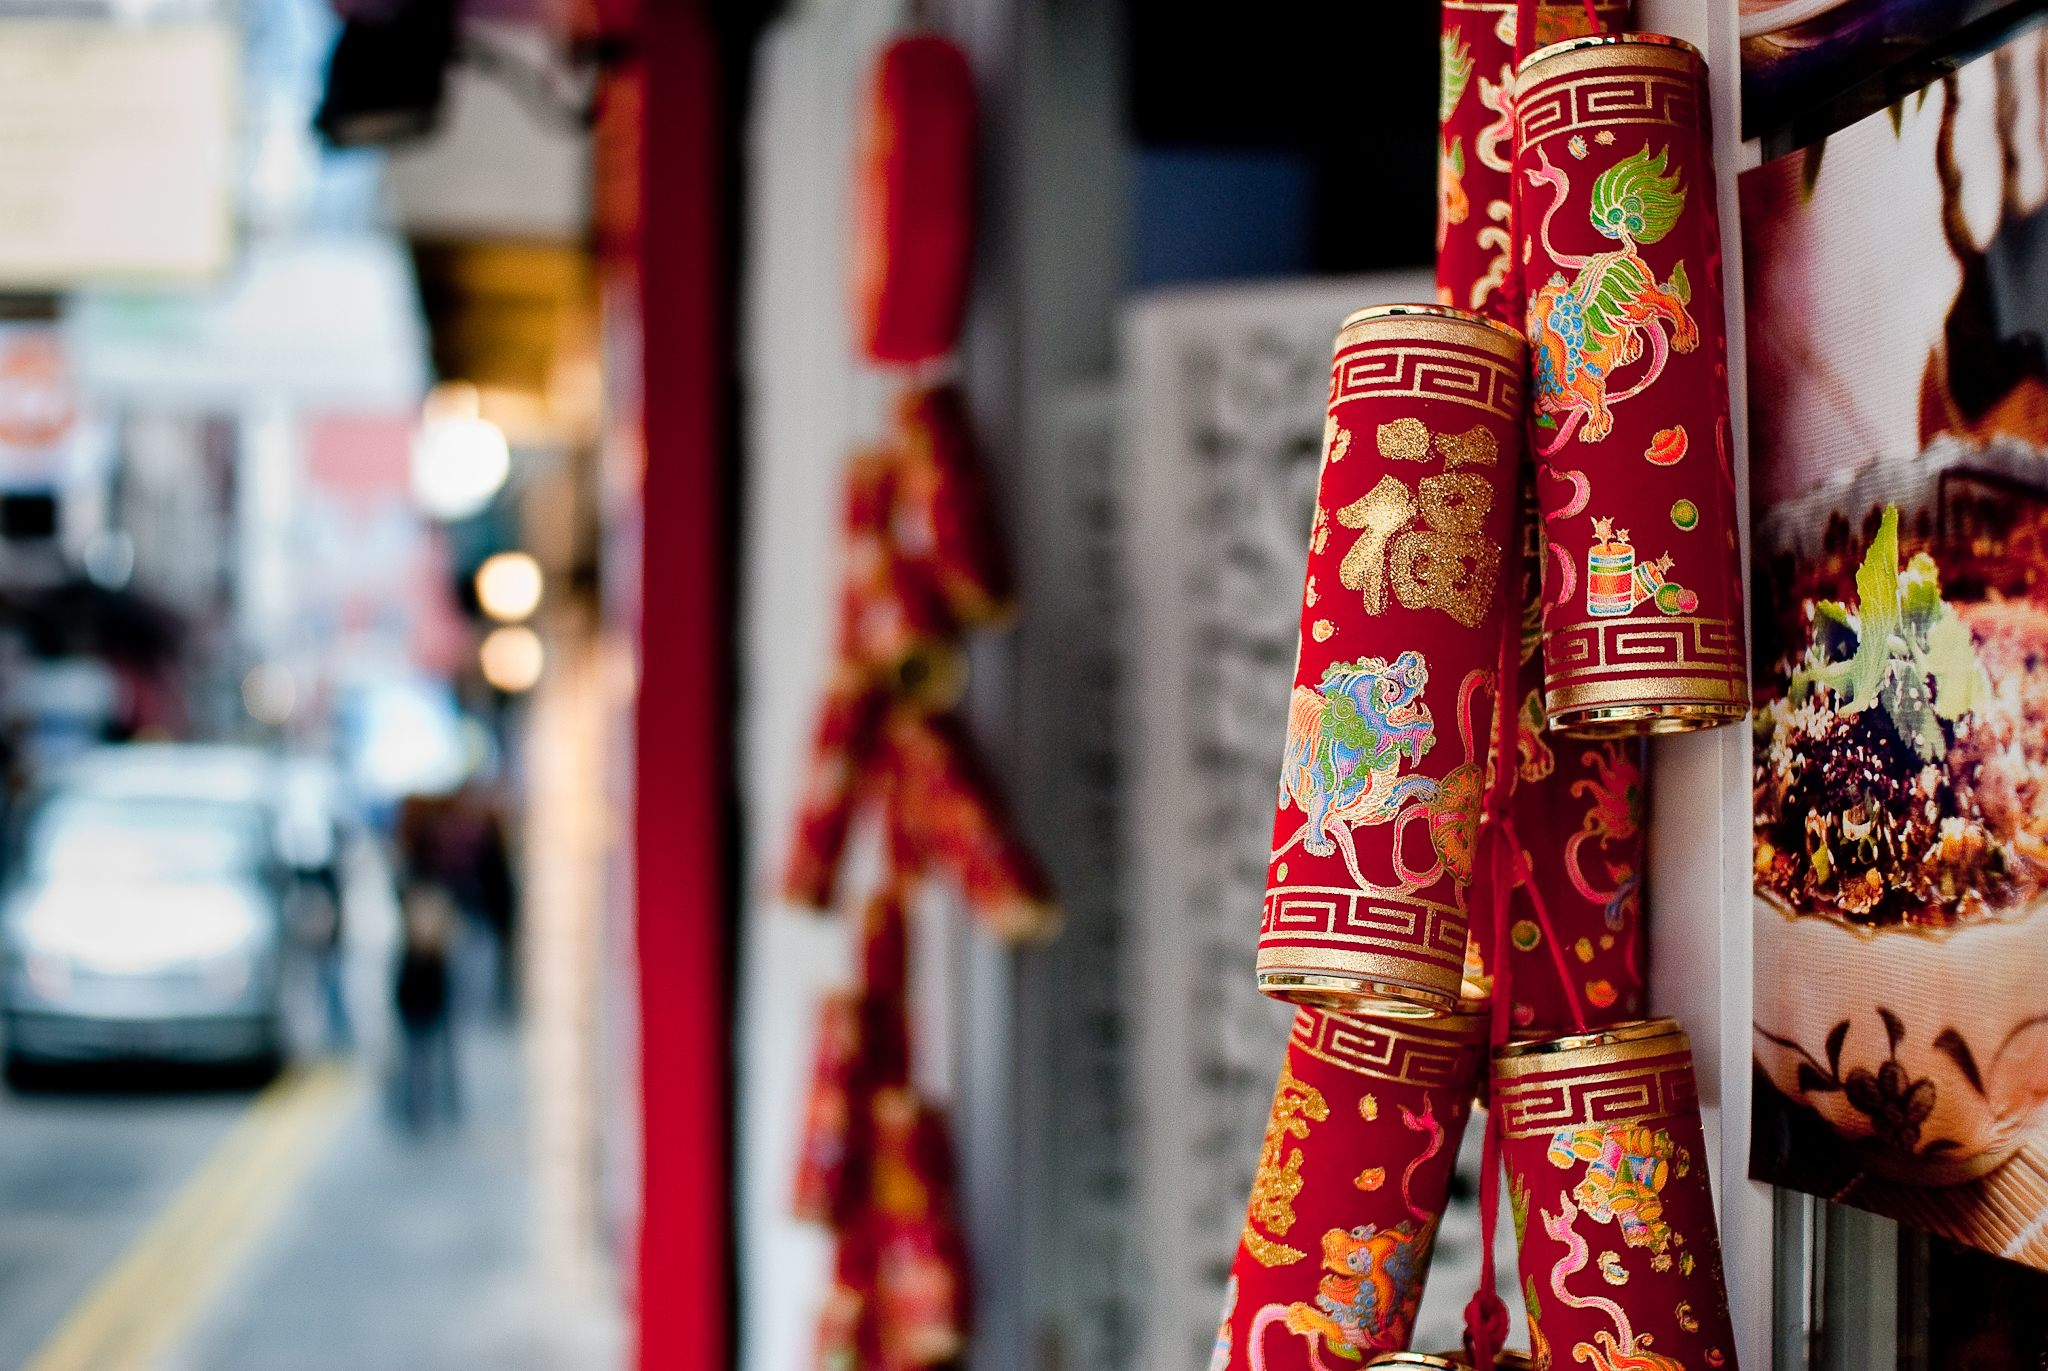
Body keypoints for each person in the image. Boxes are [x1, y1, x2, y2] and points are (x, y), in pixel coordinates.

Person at [393, 881, 459, 1134]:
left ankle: (427, 1109)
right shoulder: (420, 952)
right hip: (416, 1011)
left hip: (425, 1010)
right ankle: (418, 1111)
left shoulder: (431, 955)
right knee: (419, 1062)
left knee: (426, 1062)